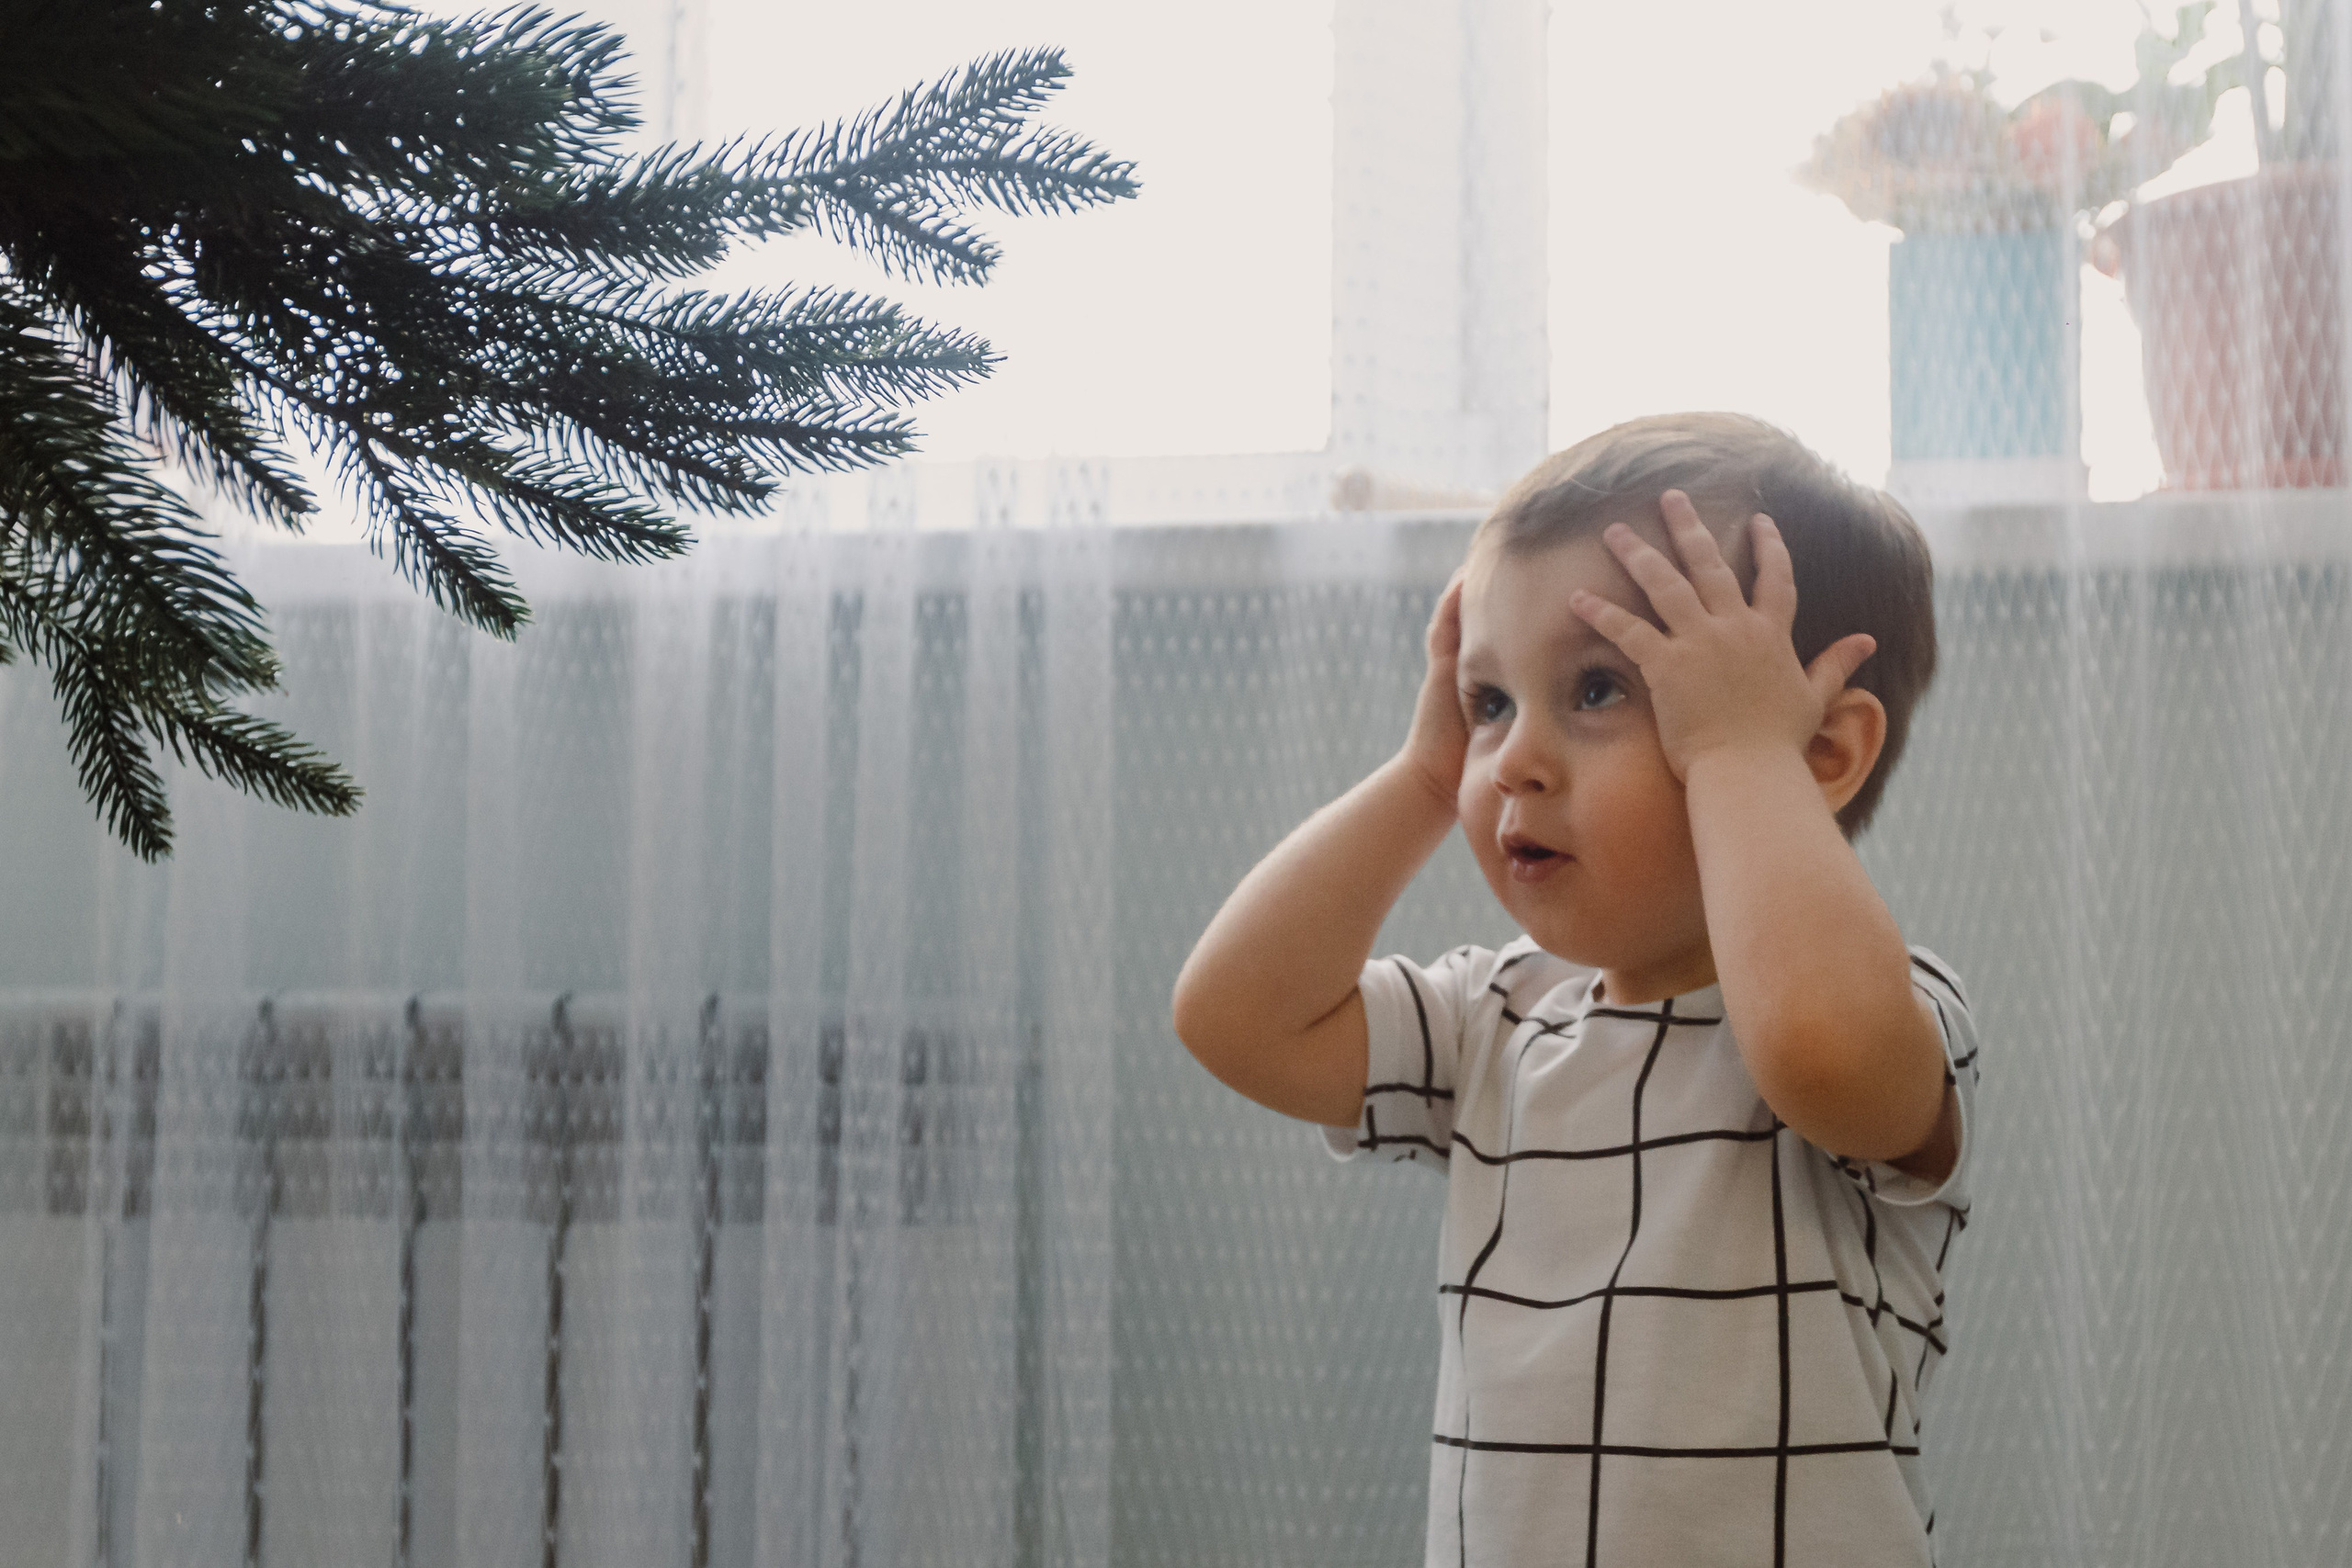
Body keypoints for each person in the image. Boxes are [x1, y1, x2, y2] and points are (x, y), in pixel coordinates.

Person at [1170, 412, 1980, 1566]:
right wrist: (1419, 776)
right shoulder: (1493, 1021)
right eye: (1490, 702)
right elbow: (1233, 1017)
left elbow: (1816, 1050)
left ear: (1821, 754)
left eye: (1600, 689)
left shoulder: (1888, 1004)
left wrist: (1744, 757)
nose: (1514, 760)